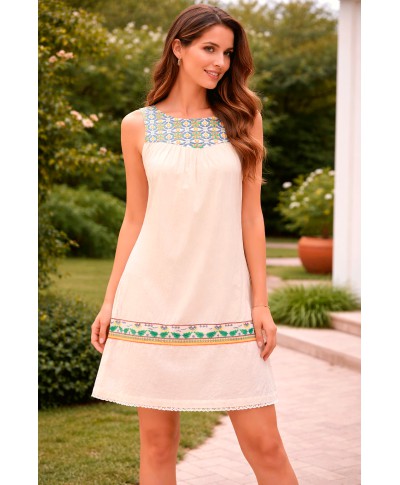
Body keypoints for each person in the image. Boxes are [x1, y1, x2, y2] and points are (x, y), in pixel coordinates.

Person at [90, 4, 298, 484]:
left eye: (227, 52)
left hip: (226, 301)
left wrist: (260, 303)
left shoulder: (243, 118)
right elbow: (135, 218)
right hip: (152, 299)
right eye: (209, 49)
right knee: (158, 446)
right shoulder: (137, 125)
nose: (220, 62)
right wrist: (109, 300)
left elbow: (251, 216)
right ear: (178, 48)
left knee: (266, 446)